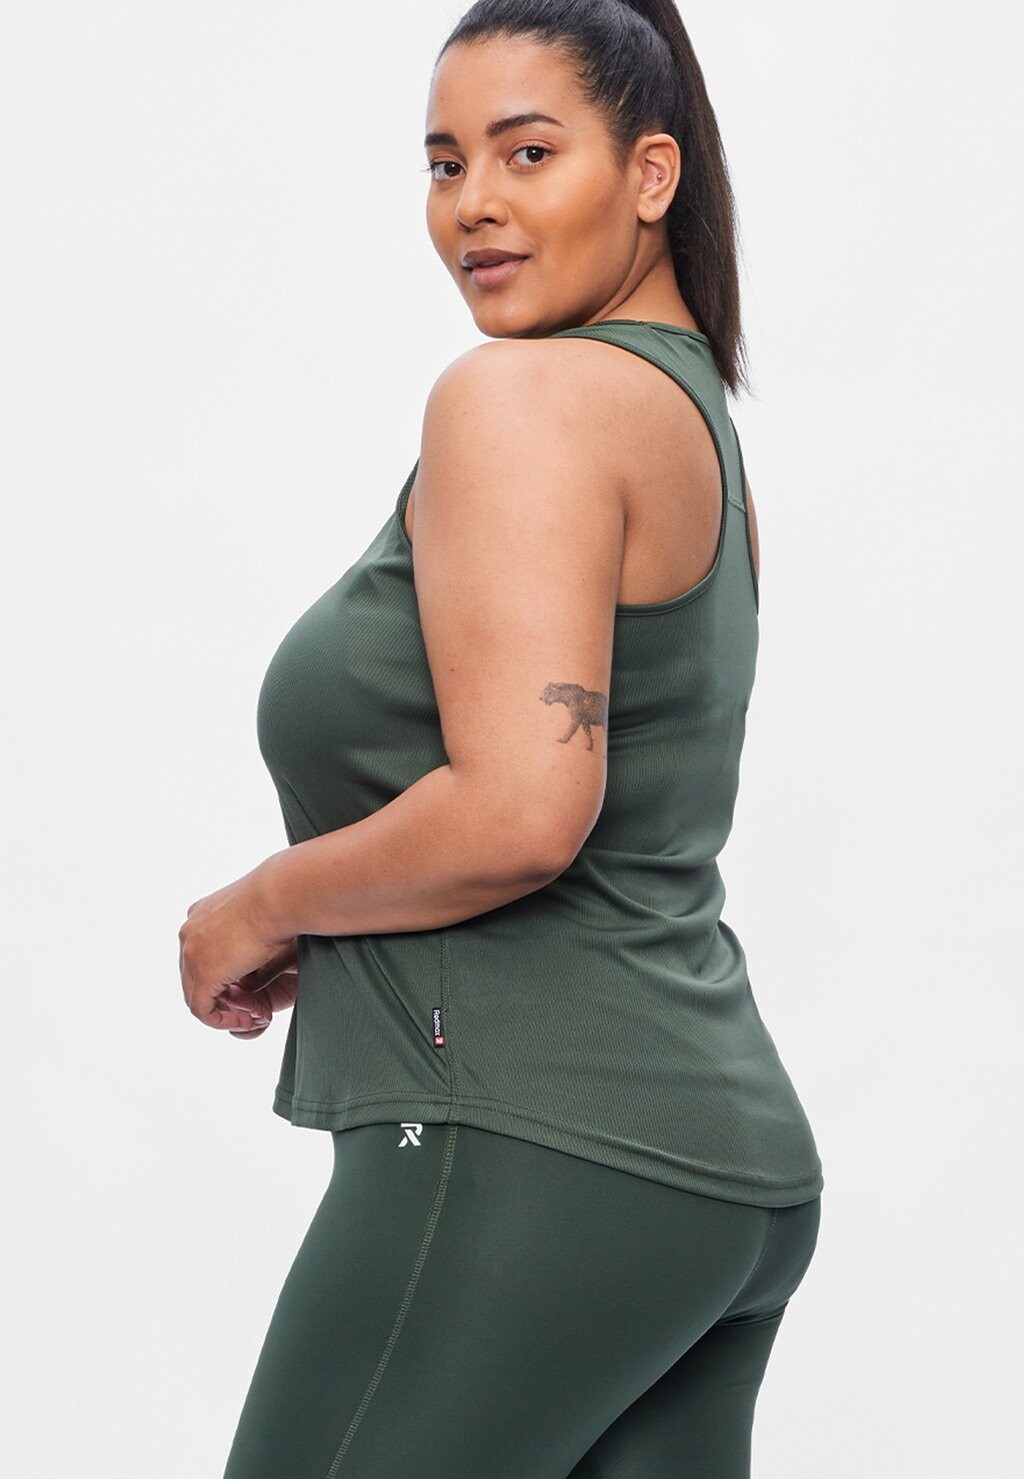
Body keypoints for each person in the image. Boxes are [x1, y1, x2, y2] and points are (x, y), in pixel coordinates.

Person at [178, 2, 825, 1475]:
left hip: (532, 1149)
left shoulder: (526, 400)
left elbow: (523, 812)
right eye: (444, 162)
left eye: (528, 153)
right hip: (718, 1178)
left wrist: (255, 907)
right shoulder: (691, 424)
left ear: (650, 173)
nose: (473, 203)